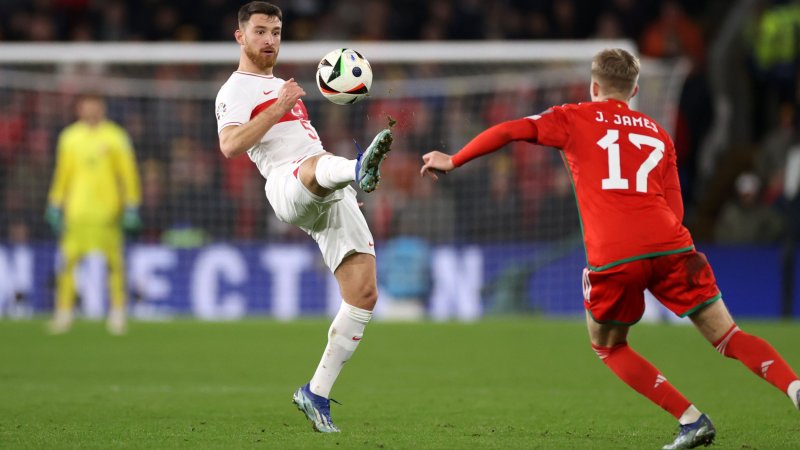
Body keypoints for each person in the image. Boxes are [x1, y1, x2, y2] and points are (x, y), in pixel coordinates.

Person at [420, 48, 800, 449]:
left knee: (609, 346)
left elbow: (511, 130)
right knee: (729, 336)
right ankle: (793, 386)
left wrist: (455, 158)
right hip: (673, 246)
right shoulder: (658, 133)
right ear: (635, 89)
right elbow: (676, 209)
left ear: (594, 85)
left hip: (616, 254)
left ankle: (691, 419)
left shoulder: (572, 117)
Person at [214, 1, 392, 434]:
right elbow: (230, 146)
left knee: (364, 293)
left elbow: (302, 144)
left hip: (325, 187)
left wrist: (343, 187)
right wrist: (278, 106)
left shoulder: (281, 85)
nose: (269, 39)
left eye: (275, 31)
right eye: (260, 31)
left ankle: (315, 392)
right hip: (286, 186)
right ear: (241, 37)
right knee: (318, 165)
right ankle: (356, 167)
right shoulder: (234, 90)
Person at [45, 93, 142, 335]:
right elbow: (63, 174)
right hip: (76, 212)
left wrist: (132, 204)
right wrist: (54, 203)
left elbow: (128, 173)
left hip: (108, 213)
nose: (91, 111)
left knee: (114, 265)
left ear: (103, 108)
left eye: (95, 107)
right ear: (79, 109)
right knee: (67, 264)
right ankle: (64, 314)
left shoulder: (116, 137)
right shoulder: (69, 138)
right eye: (86, 107)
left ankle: (118, 313)